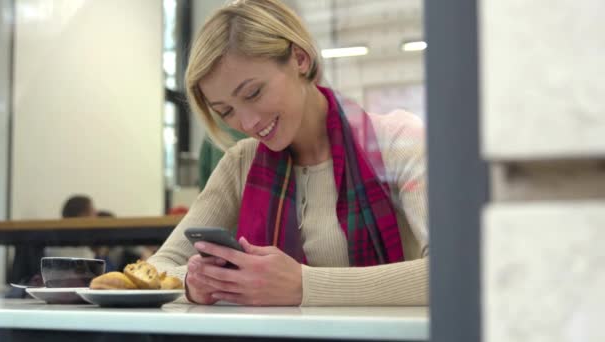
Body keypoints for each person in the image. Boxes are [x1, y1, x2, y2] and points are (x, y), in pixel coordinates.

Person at [147, 0, 428, 306]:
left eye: (253, 93)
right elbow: (156, 270)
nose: (248, 122)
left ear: (300, 58)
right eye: (225, 111)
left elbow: (454, 269)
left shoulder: (398, 141)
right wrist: (195, 284)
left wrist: (304, 286)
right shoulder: (241, 162)